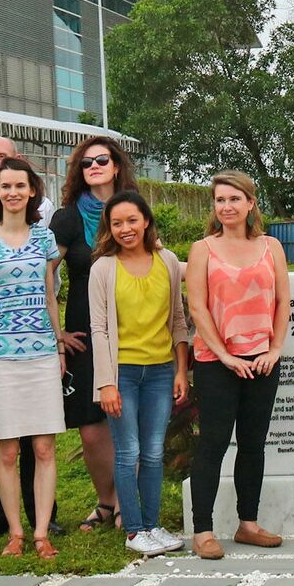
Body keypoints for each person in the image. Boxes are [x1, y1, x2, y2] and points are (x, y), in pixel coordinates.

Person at [184, 171, 291, 560]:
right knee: (212, 443)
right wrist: (226, 356)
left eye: (234, 199)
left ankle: (248, 524)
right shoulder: (203, 250)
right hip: (216, 361)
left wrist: (275, 348)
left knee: (253, 443)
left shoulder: (271, 247)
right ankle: (203, 531)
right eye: (219, 200)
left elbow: (283, 302)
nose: (226, 206)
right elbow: (197, 307)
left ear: (250, 203)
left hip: (263, 360)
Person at [0, 157, 65, 559]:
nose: (13, 193)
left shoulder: (45, 239)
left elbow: (51, 297)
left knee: (43, 448)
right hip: (1, 357)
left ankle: (41, 533)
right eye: (5, 186)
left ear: (32, 190)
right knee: (6, 451)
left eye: (20, 185)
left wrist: (58, 347)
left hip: (40, 355)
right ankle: (16, 534)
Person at [88, 191, 191, 556]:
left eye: (132, 220)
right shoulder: (102, 268)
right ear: (109, 228)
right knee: (128, 451)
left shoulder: (167, 261)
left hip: (161, 372)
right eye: (117, 223)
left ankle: (153, 524)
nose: (125, 229)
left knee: (152, 452)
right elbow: (98, 329)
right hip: (123, 374)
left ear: (145, 220)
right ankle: (134, 531)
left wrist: (181, 370)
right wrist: (106, 384)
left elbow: (179, 321)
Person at [51, 137, 136, 533]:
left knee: (128, 417)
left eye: (102, 160)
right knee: (90, 425)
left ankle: (127, 500)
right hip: (84, 333)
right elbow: (43, 275)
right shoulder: (67, 218)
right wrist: (58, 333)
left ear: (116, 165)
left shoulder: (134, 211)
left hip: (133, 329)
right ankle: (107, 500)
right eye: (87, 163)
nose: (95, 167)